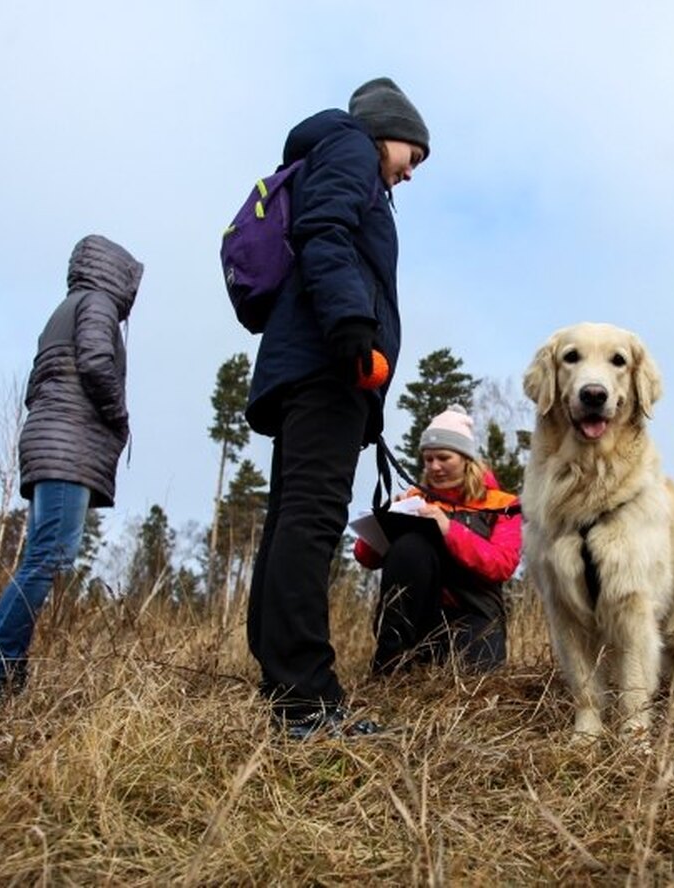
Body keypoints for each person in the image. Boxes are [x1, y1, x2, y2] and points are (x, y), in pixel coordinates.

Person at [244, 77, 430, 740]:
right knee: (311, 520)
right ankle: (306, 700)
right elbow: (325, 228)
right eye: (416, 154)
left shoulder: (333, 151)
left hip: (306, 362)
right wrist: (354, 323)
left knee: (291, 519)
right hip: (328, 363)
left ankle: (280, 680)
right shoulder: (351, 148)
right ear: (390, 128)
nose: (413, 172)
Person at [0, 235, 144, 712]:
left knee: (44, 556)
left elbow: (37, 386)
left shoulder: (67, 307)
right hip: (68, 445)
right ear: (117, 274)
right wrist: (119, 417)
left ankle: (8, 676)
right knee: (49, 558)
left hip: (48, 439)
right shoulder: (97, 304)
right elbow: (97, 364)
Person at [356, 406, 521, 675]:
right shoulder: (414, 499)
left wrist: (449, 528)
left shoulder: (503, 505)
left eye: (444, 457)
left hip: (475, 615)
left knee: (477, 677)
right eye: (428, 458)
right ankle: (391, 661)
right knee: (410, 545)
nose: (434, 467)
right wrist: (389, 520)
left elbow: (502, 564)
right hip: (421, 617)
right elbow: (365, 557)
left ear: (467, 459)